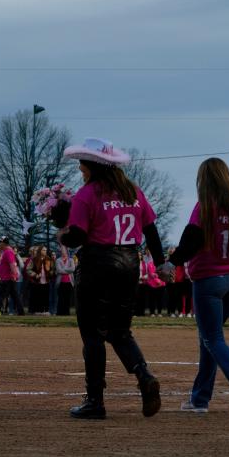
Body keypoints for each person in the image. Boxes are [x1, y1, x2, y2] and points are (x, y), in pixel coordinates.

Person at [58, 137, 165, 420]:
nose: (80, 169)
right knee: (120, 332)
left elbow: (78, 234)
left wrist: (62, 234)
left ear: (93, 166)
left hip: (97, 264)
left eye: (82, 166)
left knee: (92, 335)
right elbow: (151, 230)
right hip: (130, 264)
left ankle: (95, 401)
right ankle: (144, 376)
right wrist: (162, 262)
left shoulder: (87, 194)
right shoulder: (133, 192)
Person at [162, 157, 229, 418]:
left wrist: (171, 263)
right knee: (208, 338)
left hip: (208, 281)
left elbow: (191, 240)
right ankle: (200, 399)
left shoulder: (205, 207)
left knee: (213, 339)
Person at [0, 237, 23, 316]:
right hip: (7, 278)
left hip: (8, 279)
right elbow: (5, 267)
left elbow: (12, 265)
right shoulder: (6, 252)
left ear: (4, 243)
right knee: (15, 297)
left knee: (0, 296)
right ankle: (21, 312)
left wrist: (14, 275)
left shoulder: (8, 252)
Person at [54, 247, 75, 316]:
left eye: (64, 251)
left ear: (67, 252)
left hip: (69, 282)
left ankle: (67, 313)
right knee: (61, 298)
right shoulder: (58, 260)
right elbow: (58, 270)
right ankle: (59, 312)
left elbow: (72, 269)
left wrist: (63, 270)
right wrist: (67, 270)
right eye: (62, 251)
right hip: (60, 282)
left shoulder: (71, 260)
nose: (63, 252)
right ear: (60, 252)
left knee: (67, 298)